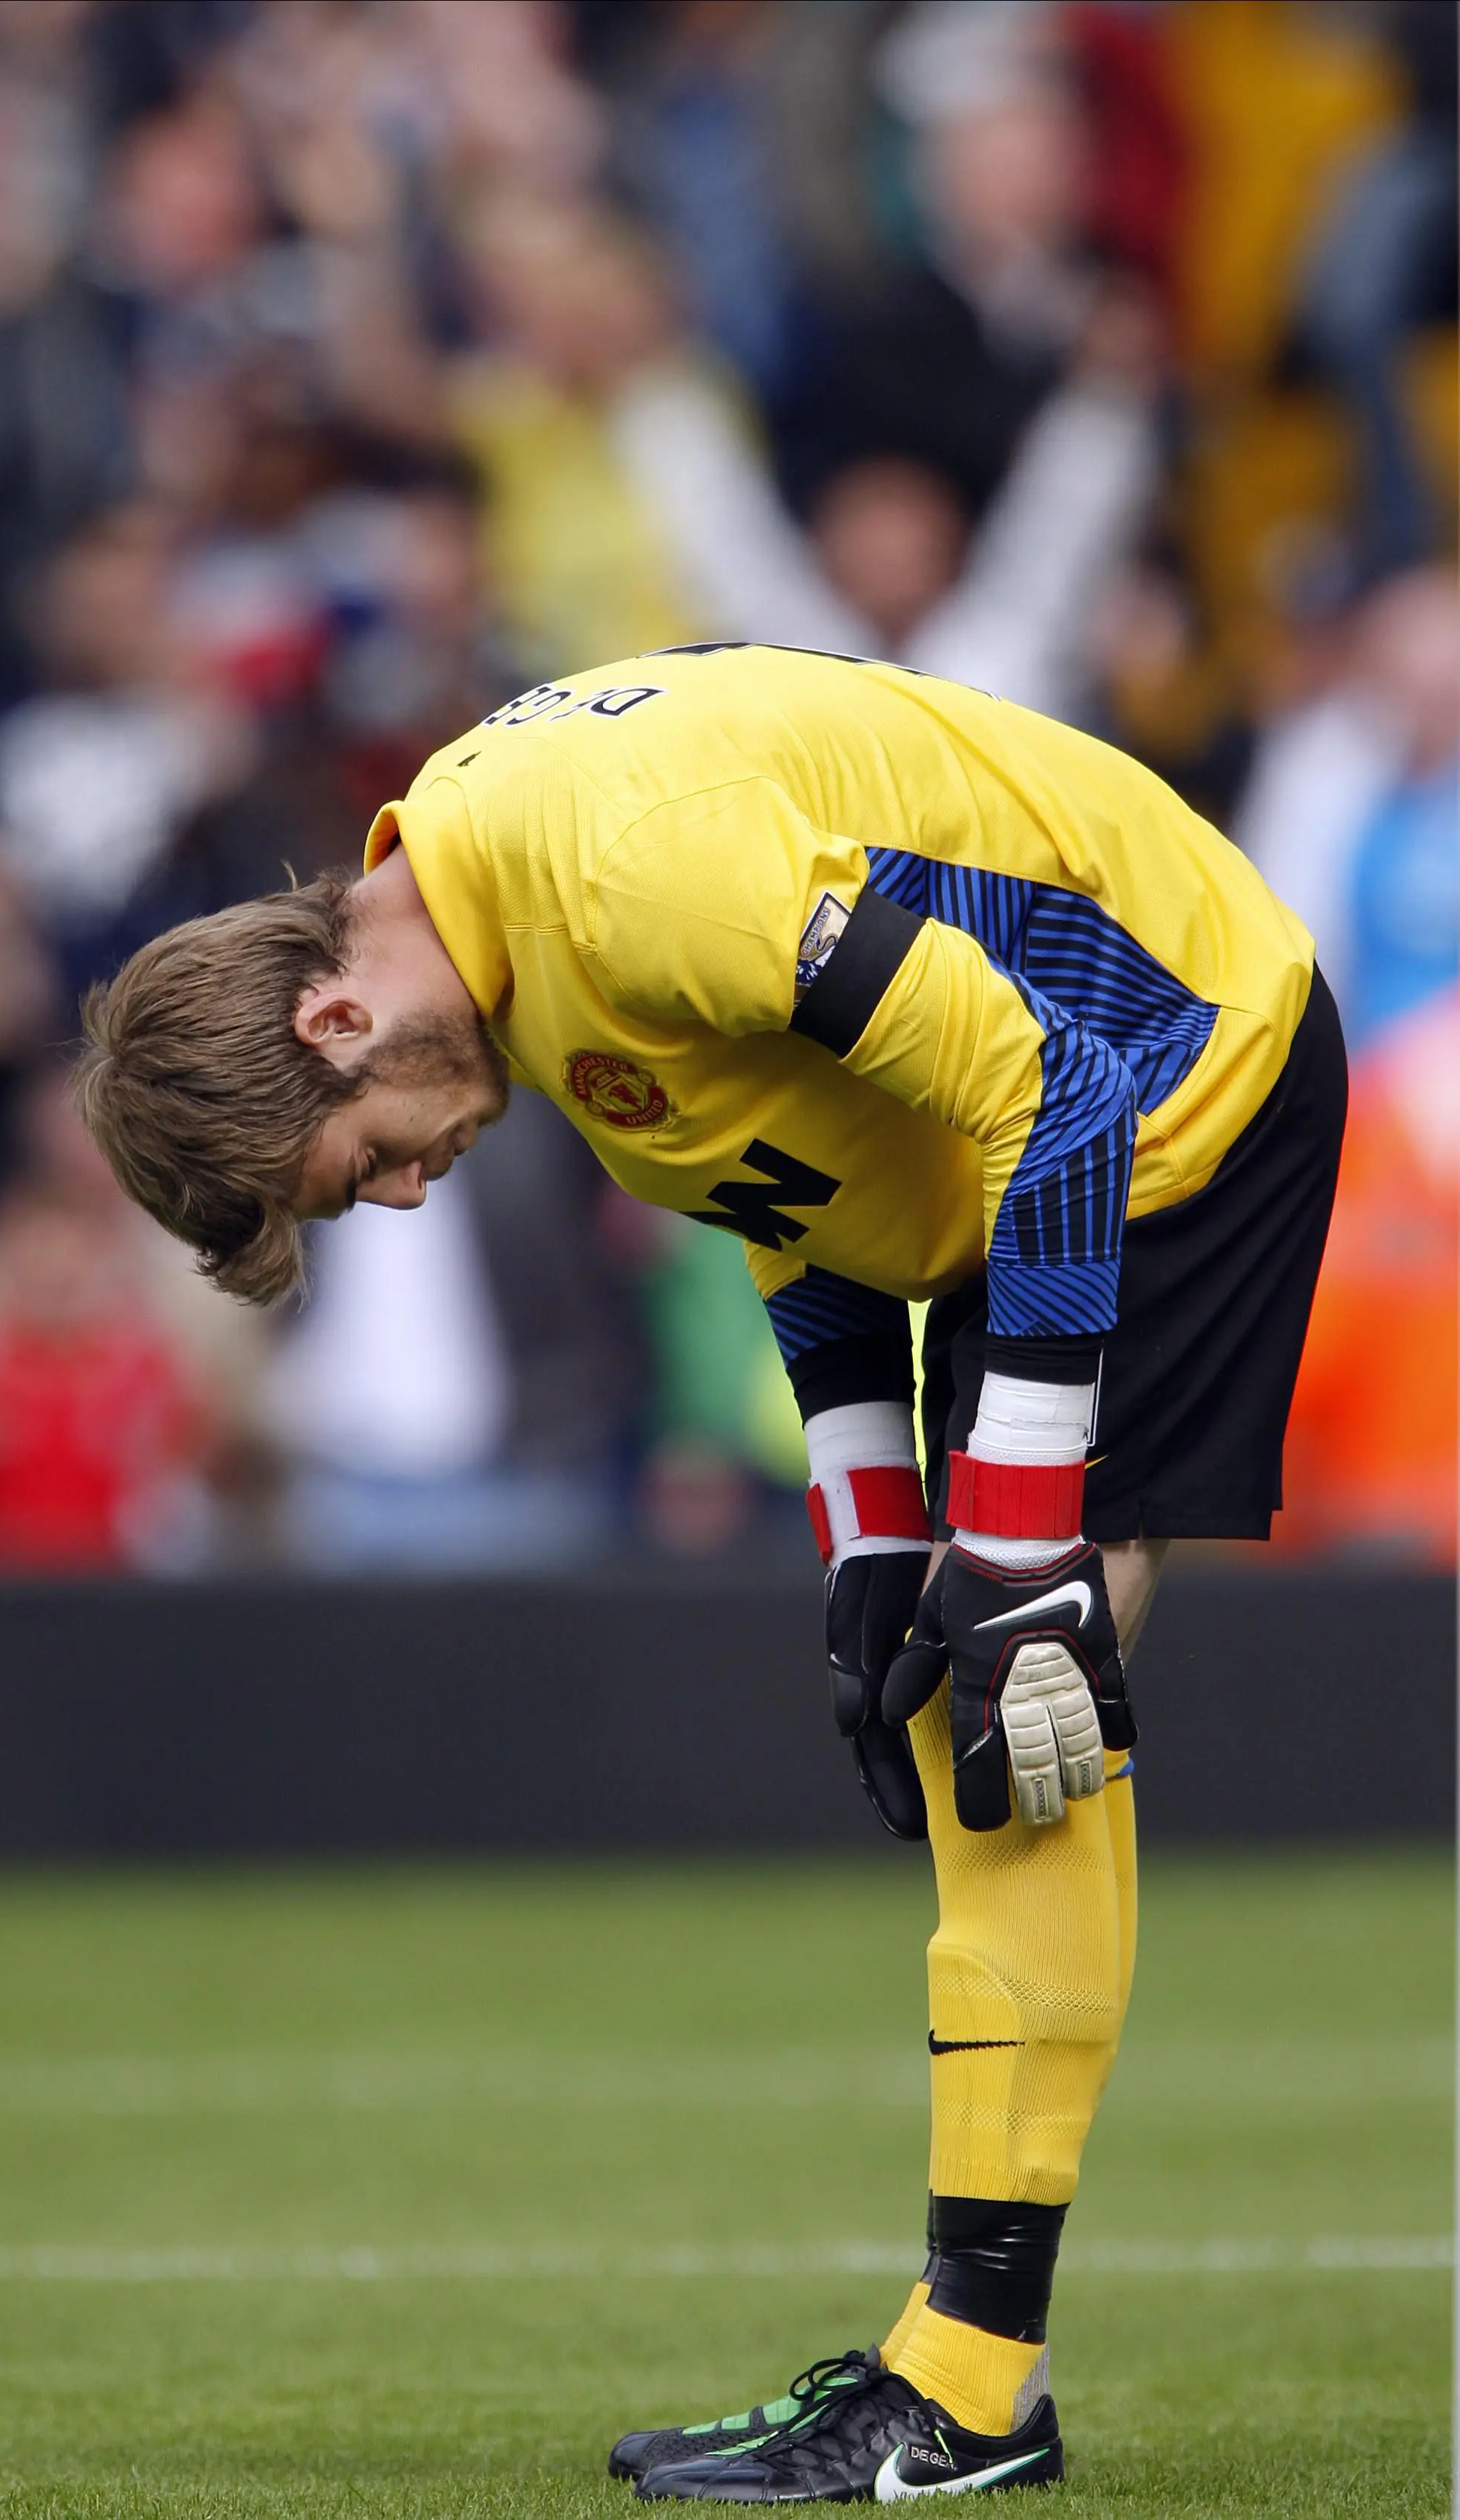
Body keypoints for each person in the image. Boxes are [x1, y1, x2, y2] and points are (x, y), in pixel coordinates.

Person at [71, 643, 1343, 2501]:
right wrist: (871, 1528)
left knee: (1016, 1722)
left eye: (359, 1174)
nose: (408, 1196)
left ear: (334, 1019)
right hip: (1023, 1152)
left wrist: (1015, 1544)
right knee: (974, 1701)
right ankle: (967, 2377)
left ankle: (970, 2395)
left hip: (1175, 1064)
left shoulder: (620, 873)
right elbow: (800, 1181)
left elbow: (1060, 1091)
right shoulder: (513, 950)